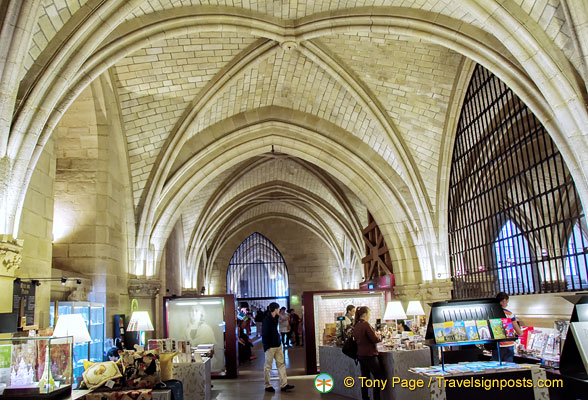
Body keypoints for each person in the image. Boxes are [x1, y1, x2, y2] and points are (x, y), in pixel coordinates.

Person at [353, 306, 385, 400]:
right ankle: (376, 398)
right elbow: (374, 339)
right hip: (370, 354)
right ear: (365, 314)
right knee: (378, 377)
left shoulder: (357, 325)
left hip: (360, 354)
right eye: (369, 314)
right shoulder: (366, 325)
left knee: (365, 378)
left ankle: (365, 397)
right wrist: (380, 337)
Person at [262, 302, 295, 393]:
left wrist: (279, 342)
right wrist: (266, 346)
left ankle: (284, 385)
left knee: (281, 365)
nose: (279, 310)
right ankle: (267, 385)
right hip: (270, 347)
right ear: (275, 309)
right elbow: (264, 334)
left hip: (278, 345)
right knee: (268, 367)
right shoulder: (266, 320)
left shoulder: (276, 318)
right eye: (278, 309)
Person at [492, 292, 523, 362]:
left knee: (495, 367)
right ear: (504, 301)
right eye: (507, 302)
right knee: (509, 368)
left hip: (496, 345)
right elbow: (519, 331)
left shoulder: (492, 313)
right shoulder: (509, 314)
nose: (507, 304)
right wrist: (521, 334)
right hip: (508, 344)